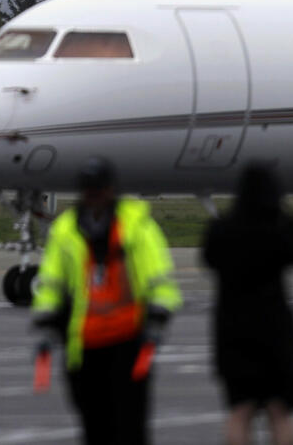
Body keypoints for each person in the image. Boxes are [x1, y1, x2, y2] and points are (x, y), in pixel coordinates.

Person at [31, 157, 182, 445]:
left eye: (99, 189)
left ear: (111, 189)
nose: (94, 196)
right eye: (88, 189)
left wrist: (158, 315)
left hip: (128, 343)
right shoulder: (66, 229)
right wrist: (46, 320)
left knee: (130, 429)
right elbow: (52, 282)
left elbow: (159, 277)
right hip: (84, 345)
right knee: (94, 428)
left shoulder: (136, 226)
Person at [202, 162, 293, 445]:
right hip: (274, 325)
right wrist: (287, 223)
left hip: (232, 327)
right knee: (280, 410)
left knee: (240, 410)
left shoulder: (221, 227)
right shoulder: (281, 225)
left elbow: (208, 260)